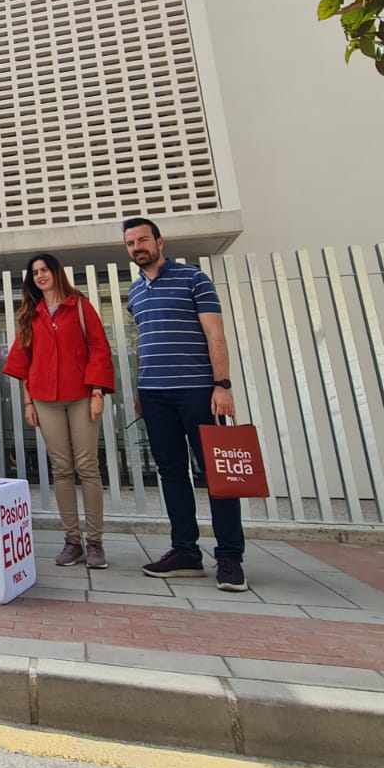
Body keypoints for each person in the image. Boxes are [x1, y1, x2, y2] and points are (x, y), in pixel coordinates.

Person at [123, 216, 247, 592]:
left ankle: (229, 556)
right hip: (156, 395)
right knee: (171, 473)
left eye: (143, 240)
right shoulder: (135, 292)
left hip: (197, 392)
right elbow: (143, 342)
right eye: (130, 243)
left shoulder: (195, 280)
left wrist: (222, 385)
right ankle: (185, 552)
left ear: (160, 242)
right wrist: (142, 392)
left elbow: (216, 335)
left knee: (216, 475)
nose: (137, 247)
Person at [3, 253, 116, 568]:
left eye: (44, 270)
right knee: (62, 469)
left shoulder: (79, 305)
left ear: (56, 273)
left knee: (87, 466)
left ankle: (95, 542)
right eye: (34, 272)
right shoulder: (30, 313)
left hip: (81, 395)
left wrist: (97, 391)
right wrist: (28, 402)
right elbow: (24, 364)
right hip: (44, 399)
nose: (40, 276)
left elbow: (99, 347)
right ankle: (72, 541)